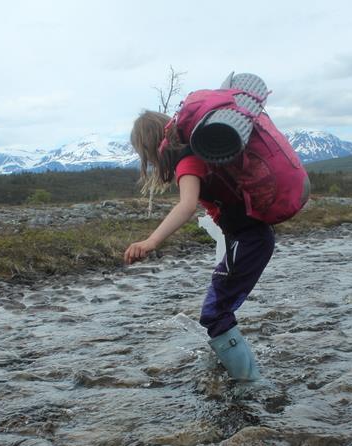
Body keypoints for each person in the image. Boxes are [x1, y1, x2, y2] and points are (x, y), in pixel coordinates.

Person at [125, 109, 306, 381]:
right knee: (217, 310)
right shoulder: (199, 154)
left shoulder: (187, 162)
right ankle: (229, 367)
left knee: (214, 313)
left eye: (145, 154)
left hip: (248, 241)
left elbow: (186, 206)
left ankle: (251, 383)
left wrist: (152, 241)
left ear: (150, 147)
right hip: (249, 239)